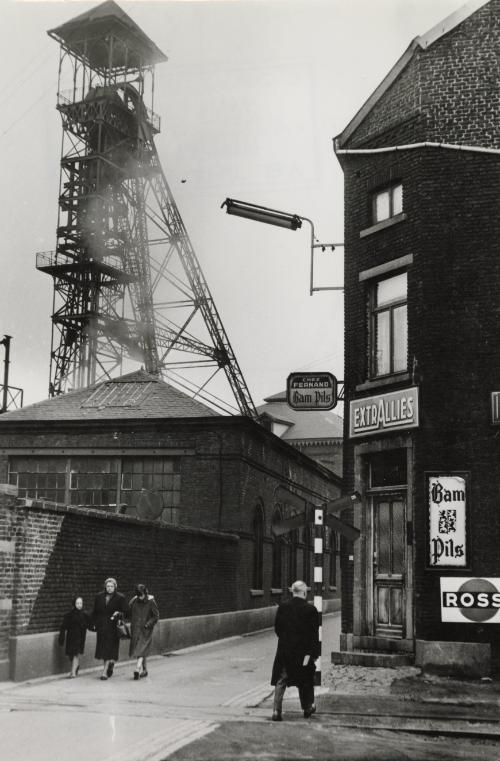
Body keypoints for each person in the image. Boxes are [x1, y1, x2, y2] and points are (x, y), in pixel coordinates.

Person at [270, 579, 320, 721]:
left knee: (281, 679)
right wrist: (313, 654)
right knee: (305, 680)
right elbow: (313, 635)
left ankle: (276, 710)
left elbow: (277, 629)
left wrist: (287, 641)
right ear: (304, 592)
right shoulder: (311, 610)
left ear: (293, 592)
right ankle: (307, 707)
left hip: (285, 651)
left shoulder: (283, 608)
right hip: (303, 654)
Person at [91, 577, 128, 680]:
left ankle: (104, 672)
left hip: (113, 627)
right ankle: (110, 664)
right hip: (102, 627)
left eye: (112, 586)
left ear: (115, 587)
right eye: (108, 586)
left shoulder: (120, 597)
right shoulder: (99, 596)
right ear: (105, 586)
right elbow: (95, 612)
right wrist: (93, 623)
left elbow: (126, 612)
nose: (110, 588)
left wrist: (119, 613)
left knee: (109, 649)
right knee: (104, 649)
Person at [129, 583, 159, 680]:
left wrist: (148, 624)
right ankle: (145, 670)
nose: (140, 598)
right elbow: (128, 612)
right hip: (136, 629)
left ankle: (137, 669)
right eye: (138, 595)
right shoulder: (134, 601)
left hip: (146, 630)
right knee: (141, 649)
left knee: (141, 649)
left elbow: (156, 616)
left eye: (141, 595)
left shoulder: (151, 601)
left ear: (145, 593)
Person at [58, 595, 90, 678]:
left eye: (81, 603)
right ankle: (76, 666)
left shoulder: (84, 615)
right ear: (74, 604)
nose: (79, 605)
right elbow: (63, 626)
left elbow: (89, 624)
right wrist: (61, 638)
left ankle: (73, 672)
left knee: (76, 654)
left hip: (80, 638)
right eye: (77, 603)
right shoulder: (69, 615)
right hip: (71, 637)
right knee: (70, 655)